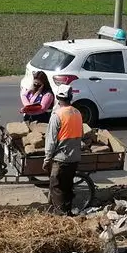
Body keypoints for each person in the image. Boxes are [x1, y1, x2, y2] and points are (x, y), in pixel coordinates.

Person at [43, 84, 83, 215]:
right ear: (71, 97)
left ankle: (61, 216)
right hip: (75, 158)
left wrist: (47, 159)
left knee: (56, 187)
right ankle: (68, 212)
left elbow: (51, 140)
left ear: (57, 98)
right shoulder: (77, 113)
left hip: (61, 158)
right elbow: (80, 134)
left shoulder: (57, 115)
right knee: (67, 186)